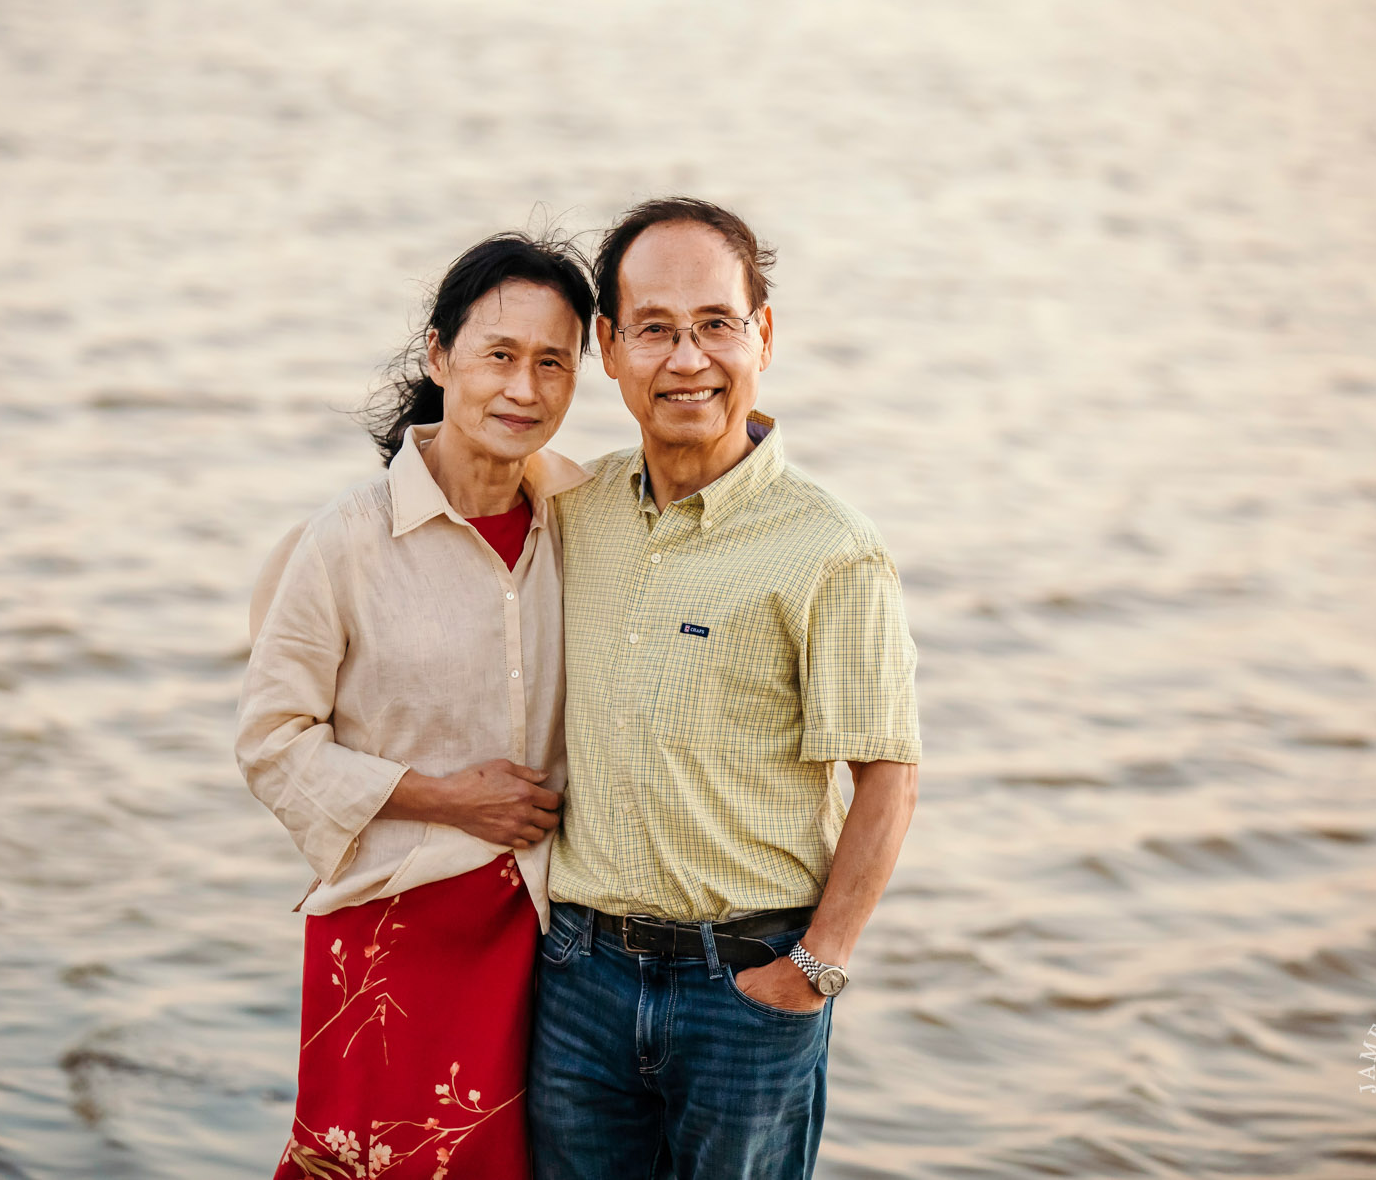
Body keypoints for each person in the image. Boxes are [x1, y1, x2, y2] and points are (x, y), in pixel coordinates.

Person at [528, 198, 923, 1180]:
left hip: (745, 986)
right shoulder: (574, 510)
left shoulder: (829, 548)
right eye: (654, 329)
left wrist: (813, 966)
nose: (687, 358)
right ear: (608, 348)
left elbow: (885, 776)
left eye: (715, 324)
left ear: (764, 336)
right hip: (576, 977)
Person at [237, 233, 595, 1180]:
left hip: (548, 934)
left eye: (553, 361)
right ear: (440, 358)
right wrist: (445, 797)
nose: (524, 388)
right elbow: (272, 744)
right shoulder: (344, 543)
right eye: (499, 355)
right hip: (394, 930)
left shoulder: (587, 520)